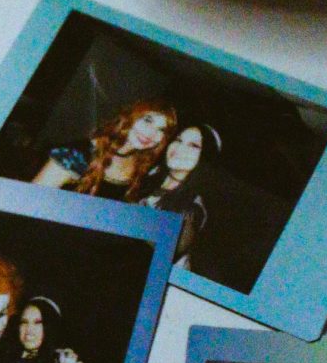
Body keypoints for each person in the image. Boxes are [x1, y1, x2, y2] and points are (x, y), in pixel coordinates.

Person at [34, 98, 176, 200]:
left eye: (161, 130)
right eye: (148, 120)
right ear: (129, 117)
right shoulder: (76, 154)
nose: (151, 133)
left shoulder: (142, 167)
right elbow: (30, 200)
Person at [136, 123, 217, 263]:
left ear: (205, 158)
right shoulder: (146, 175)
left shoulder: (192, 209)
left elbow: (162, 257)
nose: (180, 148)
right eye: (178, 140)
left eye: (194, 145)